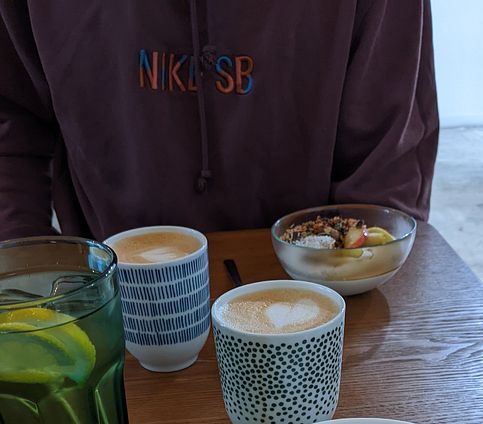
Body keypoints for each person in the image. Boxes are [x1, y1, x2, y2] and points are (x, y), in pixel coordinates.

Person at [0, 0, 439, 243]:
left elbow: (390, 162)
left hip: (322, 292)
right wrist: (24, 273)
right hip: (112, 290)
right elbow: (12, 116)